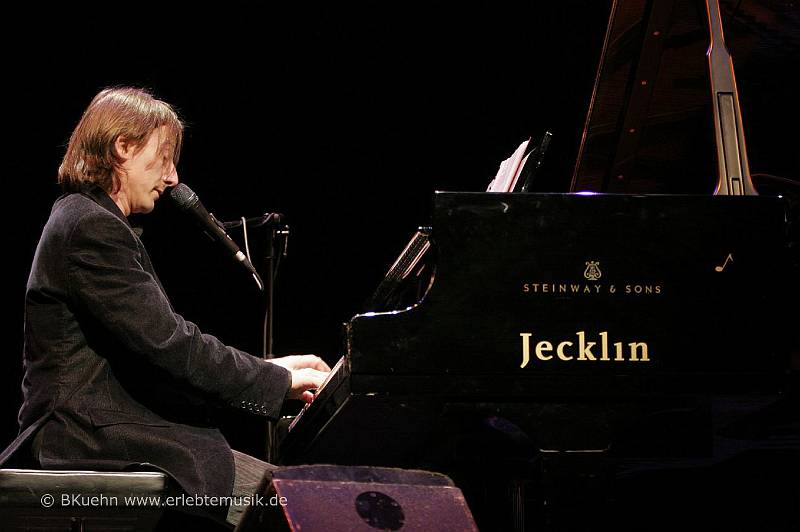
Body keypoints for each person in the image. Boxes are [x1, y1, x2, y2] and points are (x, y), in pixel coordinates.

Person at [0, 86, 330, 526]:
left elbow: (159, 350)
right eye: (165, 157)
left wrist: (270, 369)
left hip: (111, 431)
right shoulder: (90, 226)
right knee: (297, 508)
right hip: (87, 439)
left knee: (295, 500)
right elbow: (171, 346)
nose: (173, 177)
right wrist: (277, 380)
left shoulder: (90, 221)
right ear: (123, 147)